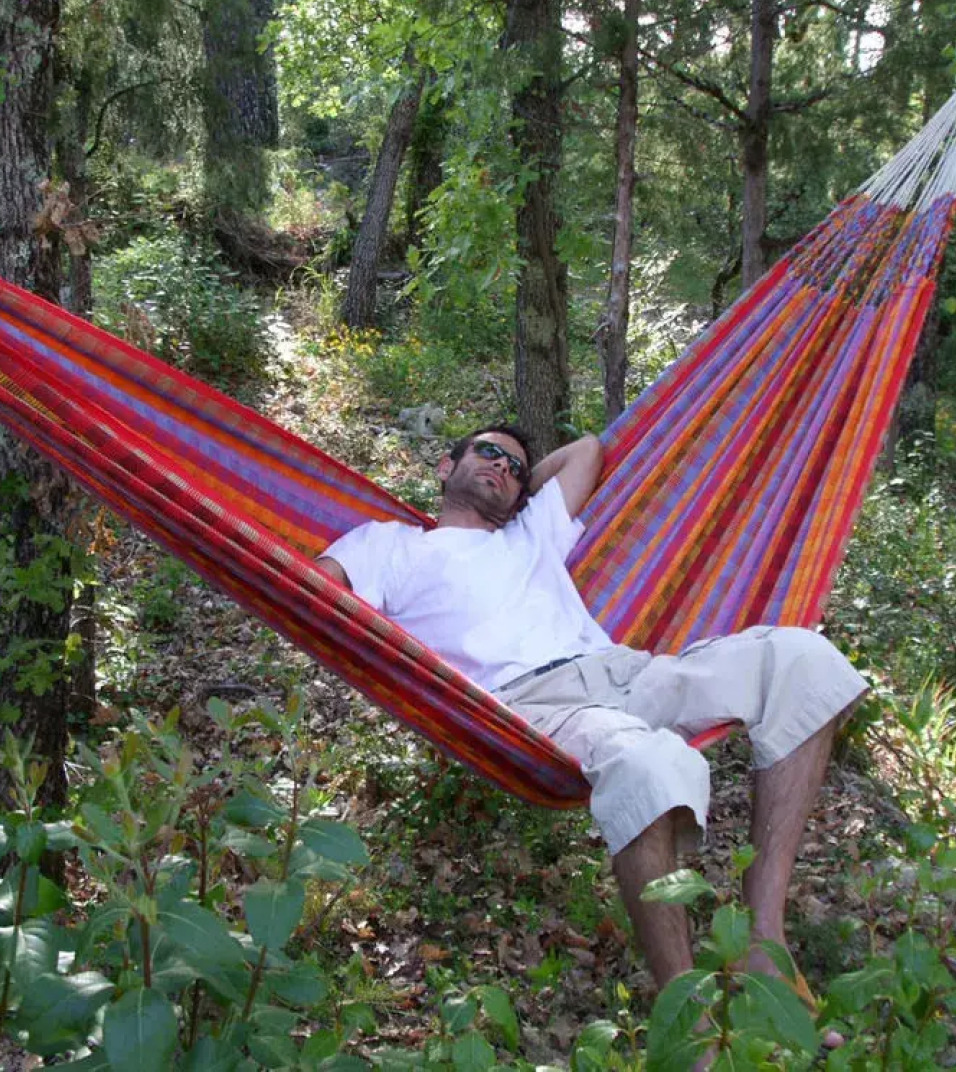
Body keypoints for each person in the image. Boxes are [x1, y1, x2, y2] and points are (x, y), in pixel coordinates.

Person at [315, 424, 868, 997]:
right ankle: (686, 1014)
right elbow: (312, 592)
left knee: (804, 659)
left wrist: (523, 490)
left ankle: (763, 940)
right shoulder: (388, 545)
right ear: (443, 466)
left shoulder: (531, 535)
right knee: (647, 767)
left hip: (627, 671)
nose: (503, 467)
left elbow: (586, 453)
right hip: (532, 704)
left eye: (514, 467)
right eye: (487, 453)